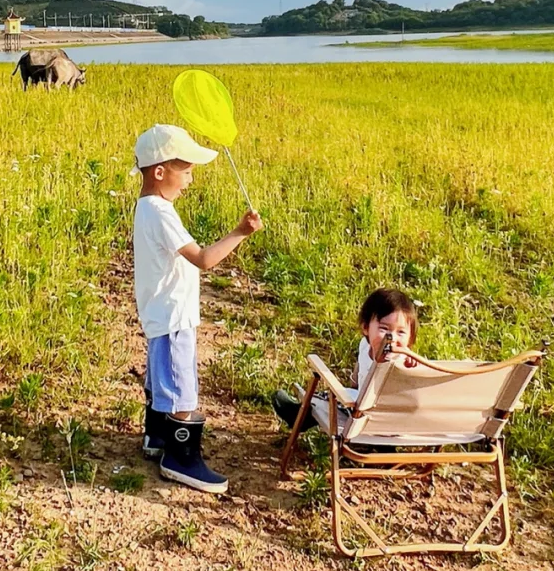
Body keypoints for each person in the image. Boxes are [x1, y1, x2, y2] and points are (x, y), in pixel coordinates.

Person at [134, 124, 263, 494]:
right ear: (160, 172)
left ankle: (156, 438)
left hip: (160, 312)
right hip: (174, 316)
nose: (190, 180)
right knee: (180, 388)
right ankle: (180, 459)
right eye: (186, 170)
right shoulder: (161, 212)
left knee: (163, 376)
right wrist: (240, 232)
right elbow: (203, 259)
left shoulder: (147, 207)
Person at [272, 287, 419, 432]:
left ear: (410, 338)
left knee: (330, 397)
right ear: (366, 328)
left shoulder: (405, 363)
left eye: (401, 332)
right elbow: (360, 368)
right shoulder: (365, 345)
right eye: (384, 329)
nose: (392, 338)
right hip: (376, 417)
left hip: (374, 422)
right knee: (348, 393)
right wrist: (354, 383)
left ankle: (300, 416)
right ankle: (301, 414)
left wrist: (417, 367)